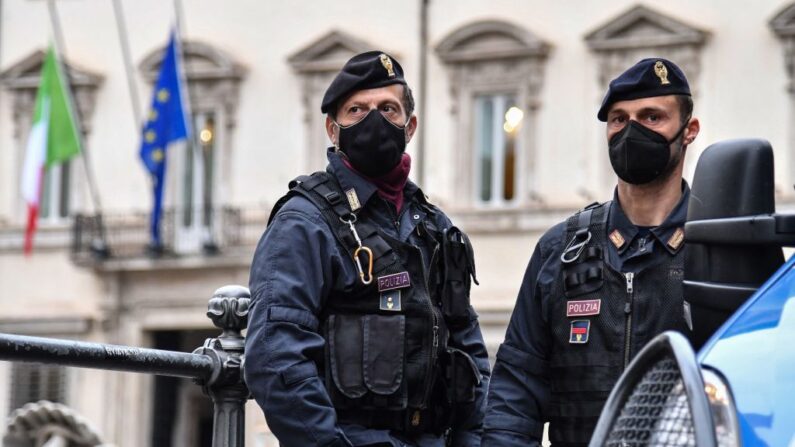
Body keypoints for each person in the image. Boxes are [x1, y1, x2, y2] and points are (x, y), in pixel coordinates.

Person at [245, 51, 490, 447]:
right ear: (332, 128)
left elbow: (470, 353)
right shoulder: (304, 222)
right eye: (357, 109)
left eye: (388, 109)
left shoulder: (434, 226)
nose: (374, 120)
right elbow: (275, 357)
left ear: (409, 127)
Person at [482, 58, 701, 446]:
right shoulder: (561, 250)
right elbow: (516, 389)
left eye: (652, 117)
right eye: (619, 119)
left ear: (689, 131)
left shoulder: (719, 250)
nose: (632, 130)